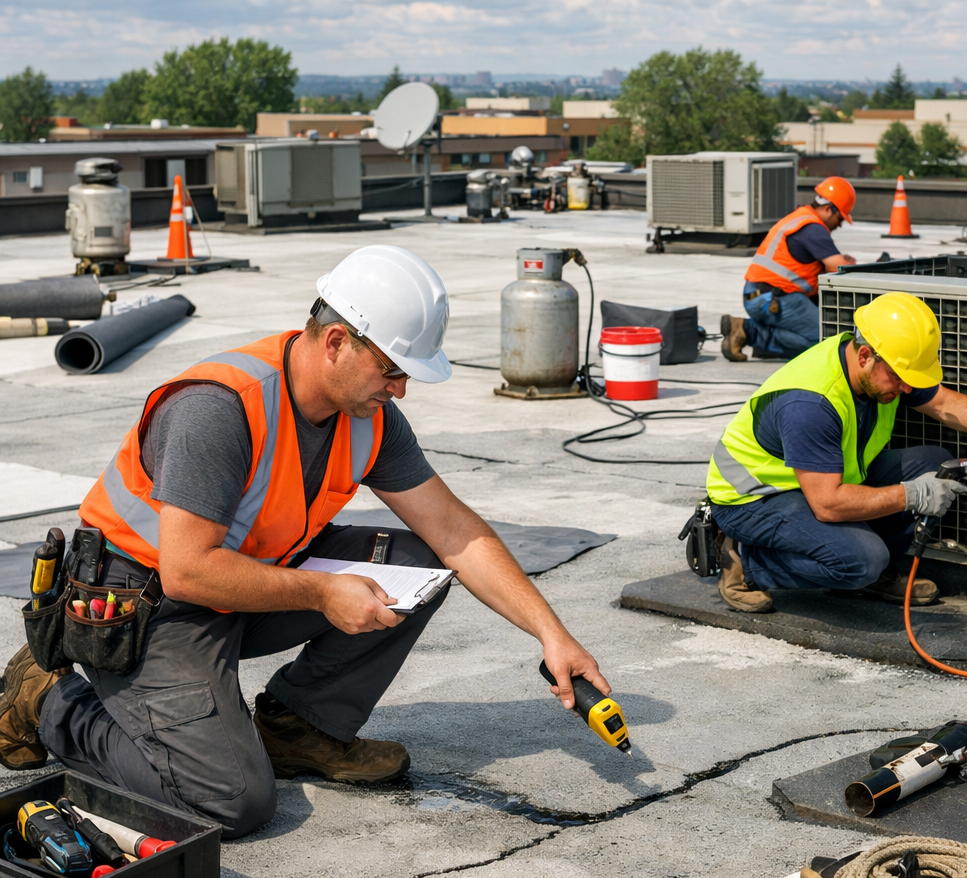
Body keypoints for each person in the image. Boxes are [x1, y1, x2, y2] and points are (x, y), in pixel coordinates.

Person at [0, 245, 609, 839]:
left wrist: (552, 635)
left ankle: (301, 727)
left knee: (417, 567)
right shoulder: (218, 409)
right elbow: (187, 570)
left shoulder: (369, 417)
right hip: (143, 604)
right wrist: (322, 593)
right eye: (393, 370)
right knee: (231, 801)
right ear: (338, 342)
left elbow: (454, 532)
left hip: (244, 581)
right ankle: (51, 701)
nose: (400, 390)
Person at [705, 291, 967, 613]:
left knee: (933, 464)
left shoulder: (875, 364)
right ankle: (747, 562)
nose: (907, 389)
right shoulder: (811, 403)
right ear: (866, 355)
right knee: (862, 559)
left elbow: (942, 402)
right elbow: (827, 504)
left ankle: (869, 569)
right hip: (753, 499)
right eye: (900, 378)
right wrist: (912, 495)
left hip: (818, 481)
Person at [721, 177, 858, 362]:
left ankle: (760, 339)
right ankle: (750, 332)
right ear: (828, 209)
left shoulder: (800, 217)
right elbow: (837, 267)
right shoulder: (813, 229)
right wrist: (850, 265)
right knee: (826, 340)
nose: (840, 224)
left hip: (759, 294)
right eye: (840, 217)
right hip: (772, 299)